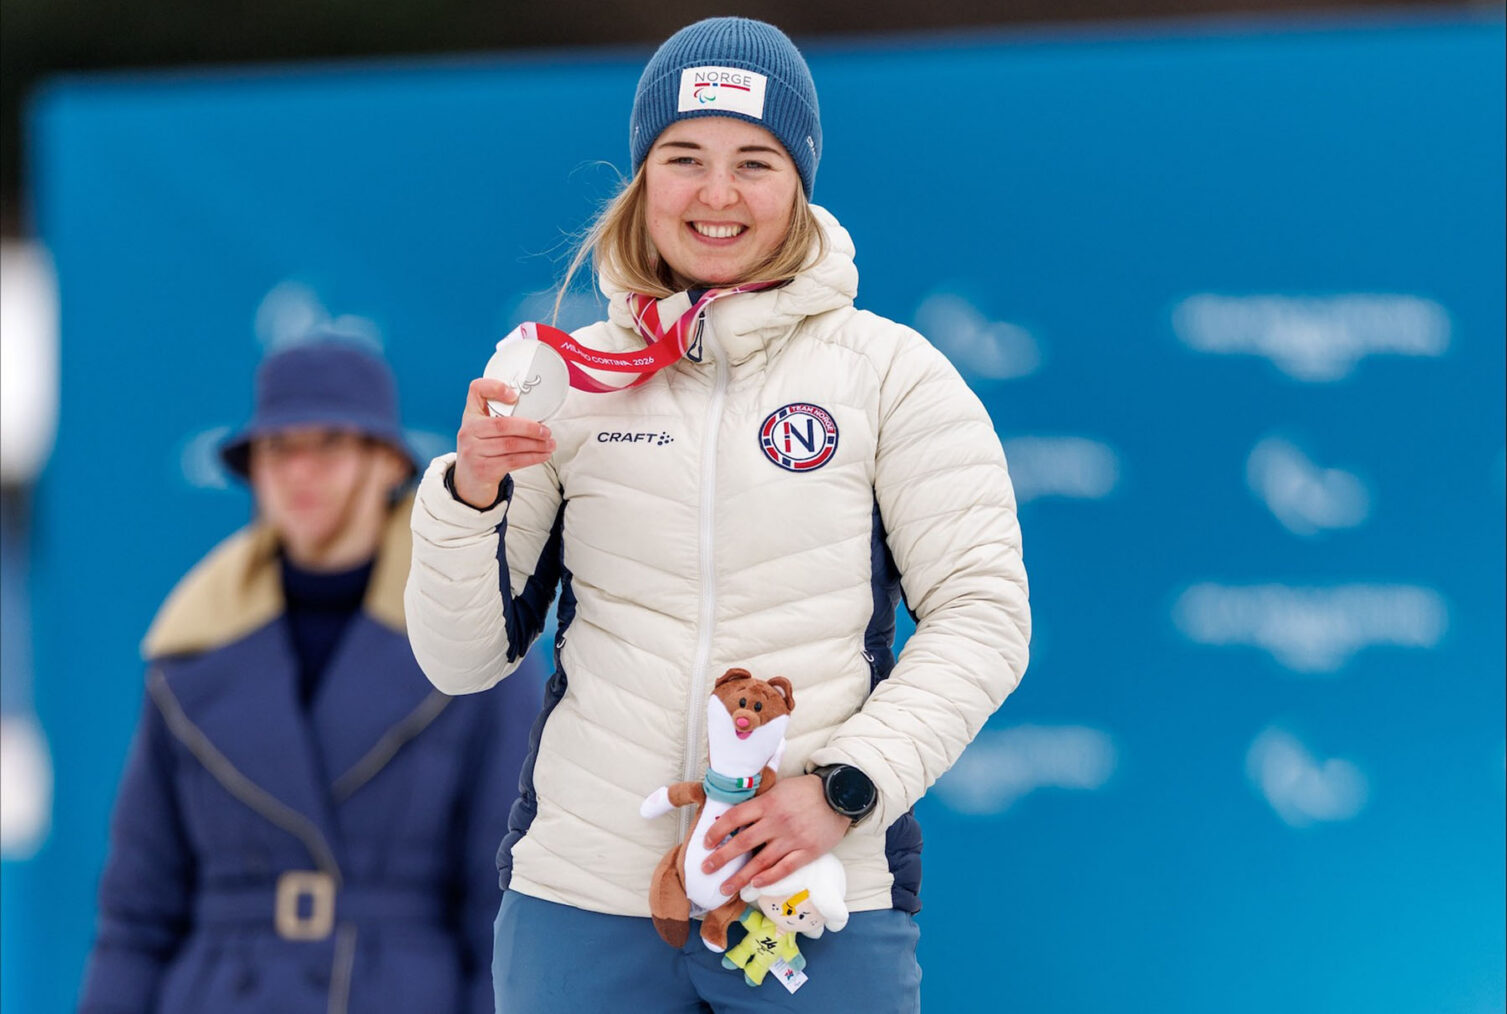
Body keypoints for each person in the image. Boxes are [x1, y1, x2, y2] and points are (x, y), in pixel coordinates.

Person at [406, 16, 1030, 1012]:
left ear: (800, 185)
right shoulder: (556, 376)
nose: (717, 194)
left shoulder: (889, 376)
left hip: (813, 895)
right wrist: (467, 492)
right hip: (584, 896)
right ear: (642, 177)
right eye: (683, 157)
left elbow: (984, 615)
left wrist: (842, 790)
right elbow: (460, 658)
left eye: (756, 161)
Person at [78, 336, 542, 1014]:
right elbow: (136, 915)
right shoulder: (190, 644)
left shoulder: (470, 638)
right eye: (277, 449)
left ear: (386, 462)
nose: (298, 472)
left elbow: (499, 908)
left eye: (328, 444)